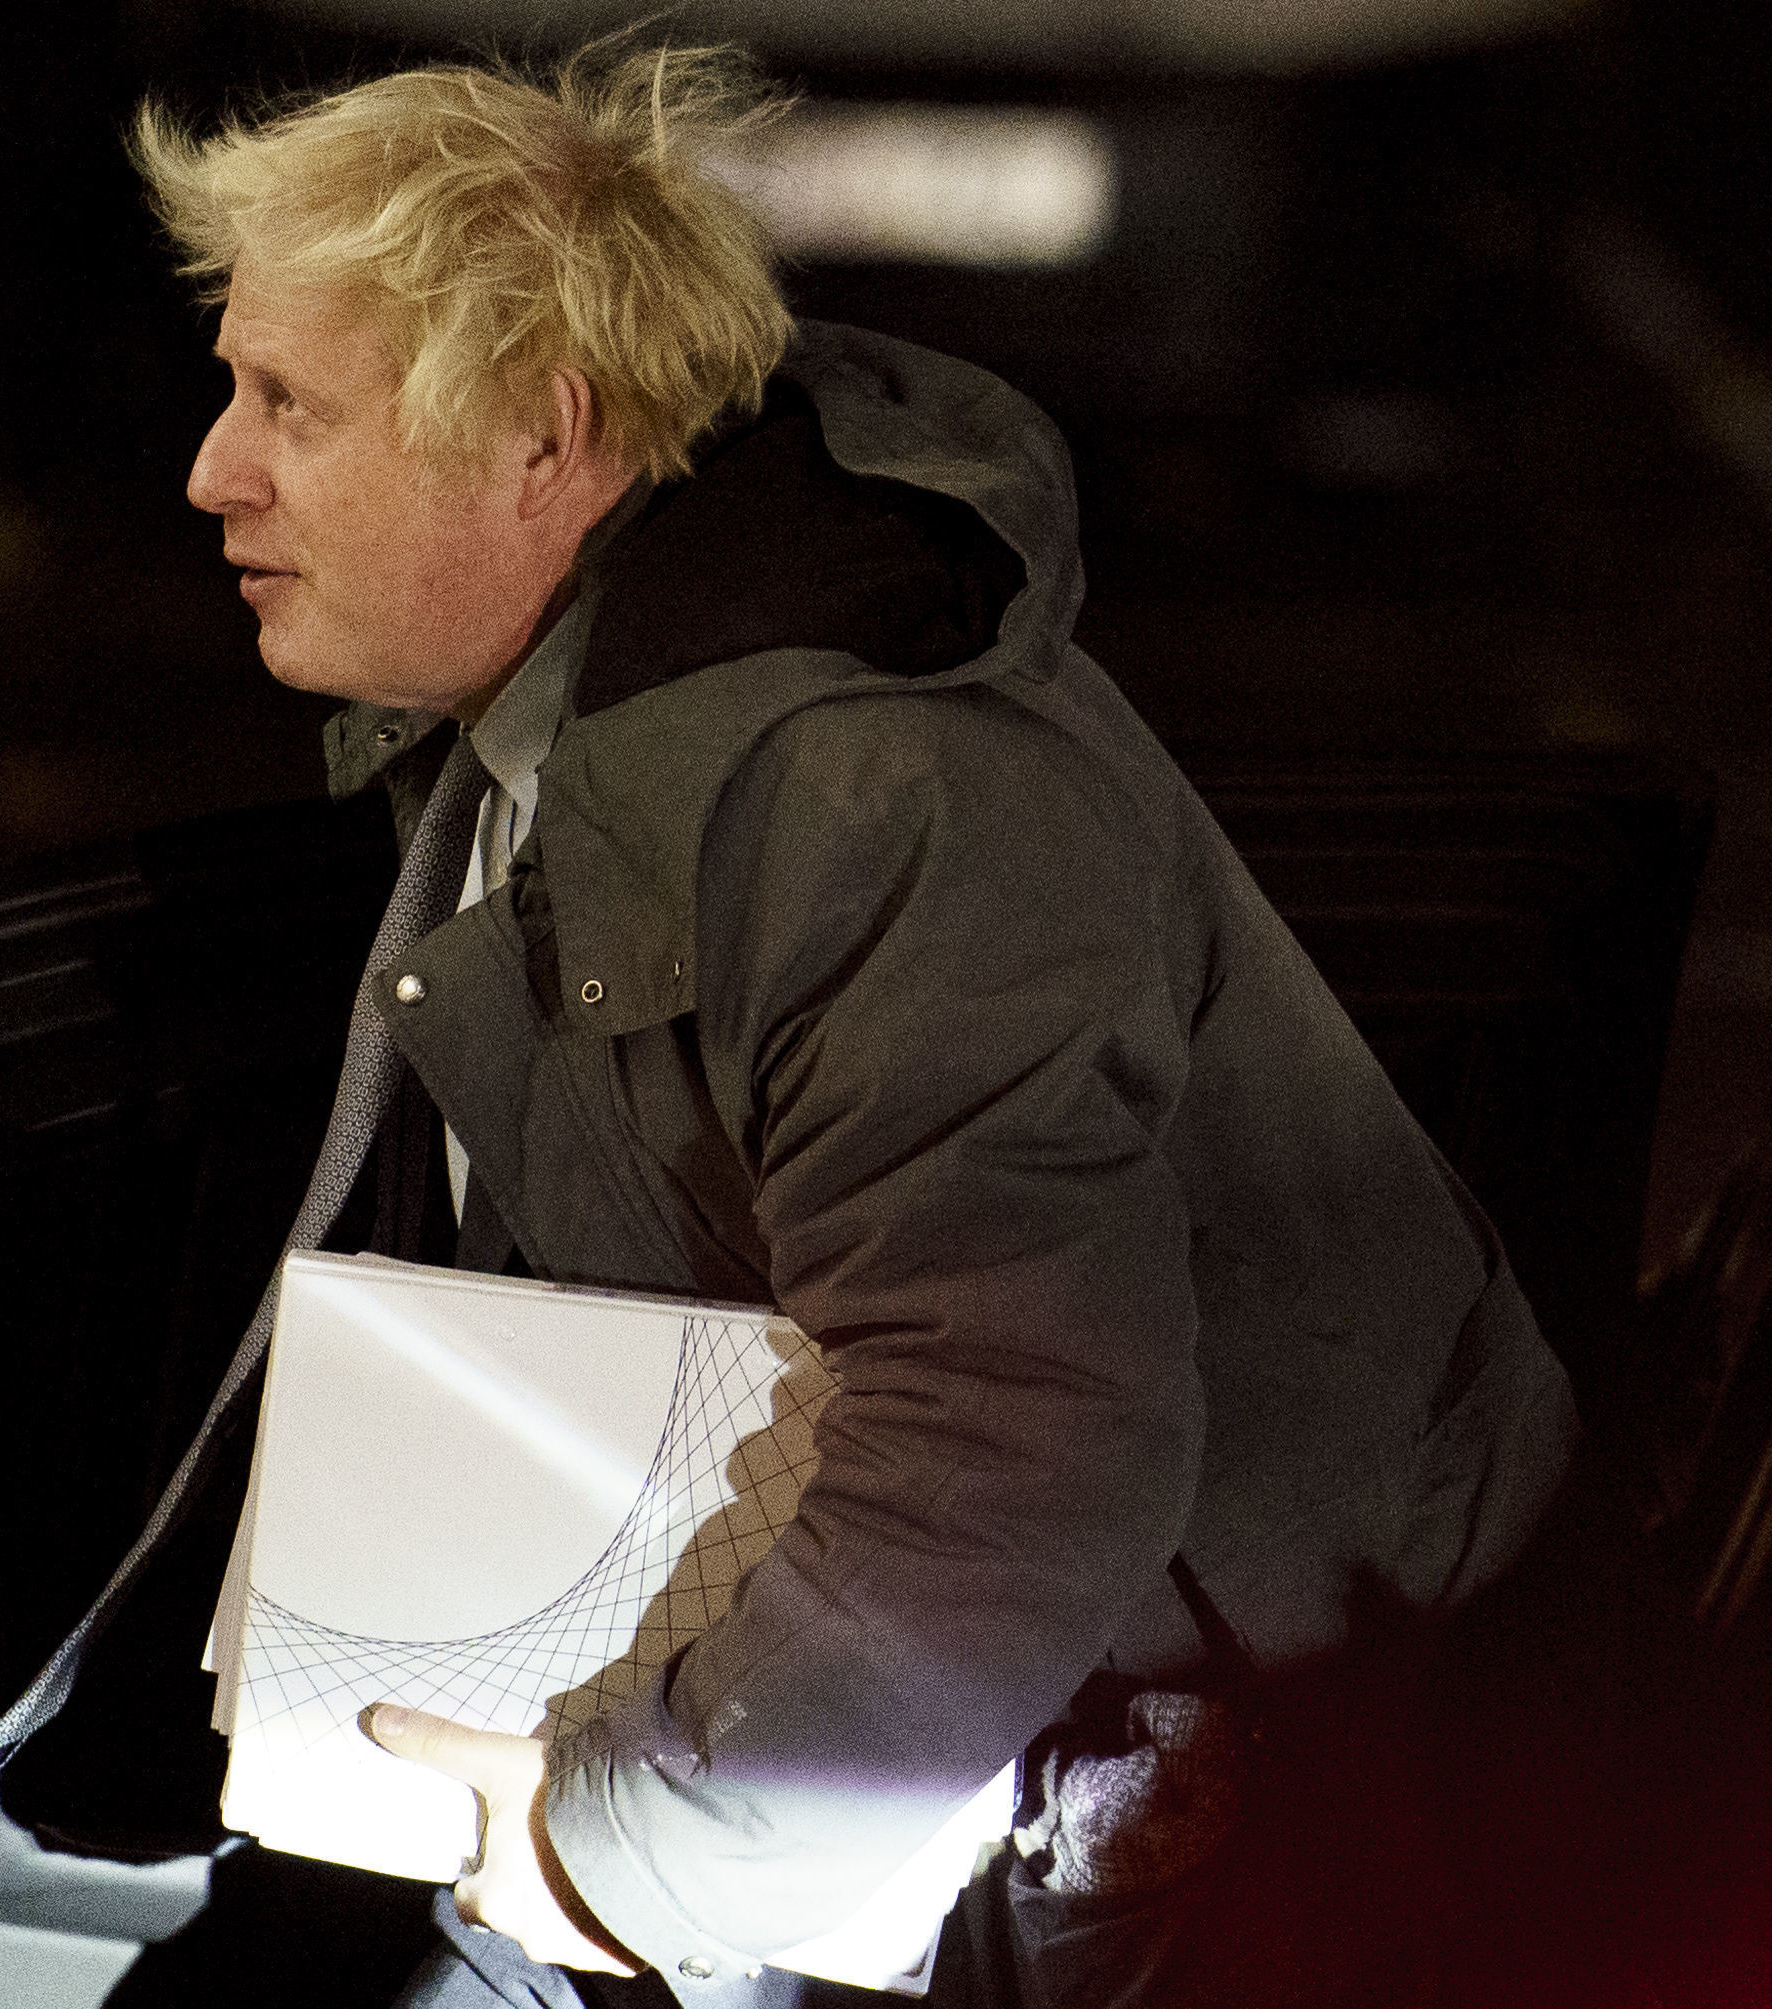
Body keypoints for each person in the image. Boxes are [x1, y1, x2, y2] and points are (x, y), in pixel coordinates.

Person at [114, 43, 1576, 2007]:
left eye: (286, 403)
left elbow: (1018, 1437)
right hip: (998, 1719)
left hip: (1230, 1769)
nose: (215, 466)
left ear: (535, 436)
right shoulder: (556, 720)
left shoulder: (877, 806)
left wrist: (625, 1852)